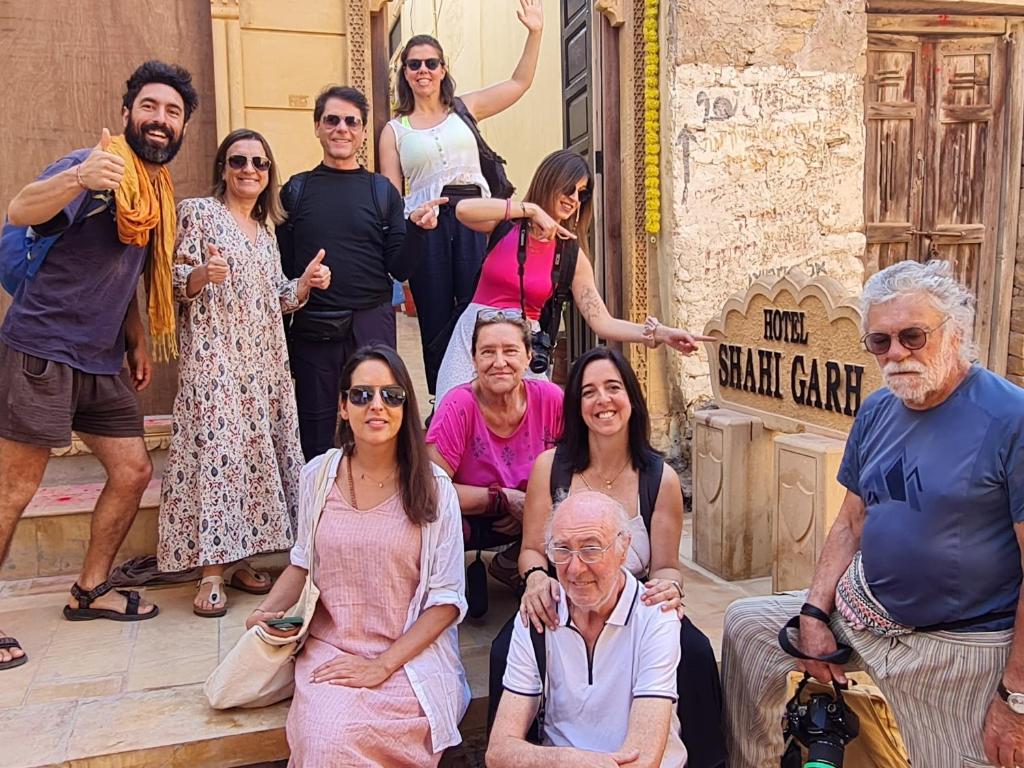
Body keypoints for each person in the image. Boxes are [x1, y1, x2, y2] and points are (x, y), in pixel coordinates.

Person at [721, 260, 1024, 768]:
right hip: (867, 612)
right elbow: (850, 522)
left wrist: (1015, 697)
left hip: (957, 645)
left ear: (956, 332)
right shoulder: (878, 409)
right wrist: (815, 614)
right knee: (747, 627)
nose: (896, 354)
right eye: (880, 342)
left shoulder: (1010, 418)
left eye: (912, 335)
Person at [0, 61, 199, 669]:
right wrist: (79, 176)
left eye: (172, 112)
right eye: (150, 107)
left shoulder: (154, 191)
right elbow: (18, 209)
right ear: (126, 113)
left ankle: (89, 591)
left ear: (182, 125)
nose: (159, 120)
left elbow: (131, 268)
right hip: (42, 347)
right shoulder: (93, 167)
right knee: (14, 489)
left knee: (134, 470)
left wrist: (136, 337)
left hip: (101, 356)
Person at [500, 346, 727, 766]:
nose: (602, 400)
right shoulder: (551, 468)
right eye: (589, 392)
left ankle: (705, 758)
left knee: (693, 651)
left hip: (633, 601)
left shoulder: (661, 478)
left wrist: (670, 588)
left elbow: (665, 564)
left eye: (613, 388)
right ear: (576, 405)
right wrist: (535, 578)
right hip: (566, 592)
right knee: (505, 649)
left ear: (631, 400)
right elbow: (532, 547)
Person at [245, 345, 470, 766]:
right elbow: (302, 562)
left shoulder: (435, 488)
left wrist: (382, 666)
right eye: (362, 395)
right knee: (326, 738)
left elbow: (445, 602)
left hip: (409, 657)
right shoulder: (318, 475)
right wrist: (266, 611)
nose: (377, 406)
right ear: (343, 407)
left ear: (407, 406)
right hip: (334, 651)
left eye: (391, 395)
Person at [159, 129, 331, 617]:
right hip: (215, 360)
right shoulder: (199, 213)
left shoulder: (265, 230)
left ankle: (240, 561)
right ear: (223, 168)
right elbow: (171, 281)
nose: (249, 170)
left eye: (259, 162)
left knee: (254, 457)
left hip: (264, 363)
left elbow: (279, 296)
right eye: (239, 161)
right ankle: (211, 570)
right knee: (221, 455)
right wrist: (200, 277)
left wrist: (306, 283)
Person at [427, 149, 713, 405]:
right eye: (569, 188)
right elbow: (464, 210)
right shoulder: (507, 224)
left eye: (582, 193)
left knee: (533, 437)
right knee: (451, 420)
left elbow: (602, 321)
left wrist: (658, 333)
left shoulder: (572, 256)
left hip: (523, 346)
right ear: (549, 181)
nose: (575, 199)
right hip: (474, 338)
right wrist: (532, 210)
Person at [379, 0, 545, 401]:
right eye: (414, 64)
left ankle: (485, 401)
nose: (423, 71)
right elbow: (390, 196)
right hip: (428, 225)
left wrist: (535, 32)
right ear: (405, 72)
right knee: (436, 322)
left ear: (443, 69)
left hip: (476, 218)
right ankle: (444, 405)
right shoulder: (394, 130)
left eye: (431, 63)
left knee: (478, 314)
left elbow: (518, 84)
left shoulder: (464, 110)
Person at [487, 490, 687, 767]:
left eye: (591, 549)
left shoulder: (655, 616)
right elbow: (498, 752)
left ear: (623, 548)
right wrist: (570, 760)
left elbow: (642, 760)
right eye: (563, 549)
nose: (575, 568)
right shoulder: (539, 614)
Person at [277, 86, 406, 461]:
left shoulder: (382, 191)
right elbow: (283, 270)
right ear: (317, 127)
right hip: (315, 328)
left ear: (363, 132)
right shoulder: (295, 191)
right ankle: (317, 514)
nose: (342, 128)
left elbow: (399, 266)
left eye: (352, 121)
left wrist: (419, 232)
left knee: (377, 428)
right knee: (316, 437)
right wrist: (304, 281)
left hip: (373, 325)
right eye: (332, 120)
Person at [426, 309, 563, 591]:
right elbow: (431, 489)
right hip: (469, 518)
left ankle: (516, 561)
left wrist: (533, 508)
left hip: (534, 513)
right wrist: (503, 499)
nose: (499, 362)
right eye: (487, 352)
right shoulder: (458, 405)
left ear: (528, 357)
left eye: (510, 351)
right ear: (474, 361)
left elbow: (582, 469)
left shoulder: (550, 400)